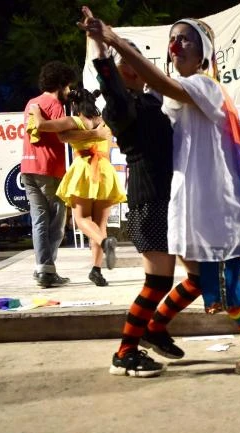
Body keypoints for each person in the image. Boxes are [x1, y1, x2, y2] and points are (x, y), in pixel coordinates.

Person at [84, 10, 240, 373]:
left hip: (208, 200)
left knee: (221, 276)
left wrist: (113, 42)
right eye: (173, 40)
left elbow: (179, 97)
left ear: (205, 55)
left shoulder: (194, 88)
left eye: (185, 39)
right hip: (177, 200)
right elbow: (119, 83)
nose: (175, 45)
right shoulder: (142, 102)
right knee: (208, 277)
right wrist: (103, 46)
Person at [86, 37, 183, 376]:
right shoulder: (120, 104)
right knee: (156, 283)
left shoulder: (150, 101)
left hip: (172, 198)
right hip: (150, 199)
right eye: (124, 59)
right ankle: (125, 352)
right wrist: (98, 44)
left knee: (194, 278)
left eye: (137, 57)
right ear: (115, 67)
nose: (133, 64)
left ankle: (155, 330)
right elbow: (109, 83)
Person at [31, 89, 125, 286]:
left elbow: (43, 126)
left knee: (81, 219)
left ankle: (105, 243)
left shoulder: (73, 121)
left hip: (84, 169)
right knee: (99, 225)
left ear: (74, 105)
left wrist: (35, 110)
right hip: (105, 171)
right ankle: (96, 271)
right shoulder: (104, 122)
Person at [21, 61, 77, 288]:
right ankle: (46, 270)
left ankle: (43, 268)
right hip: (49, 169)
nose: (69, 91)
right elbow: (61, 134)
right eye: (68, 86)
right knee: (56, 223)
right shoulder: (54, 104)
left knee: (39, 221)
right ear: (61, 84)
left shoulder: (31, 103)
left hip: (27, 167)